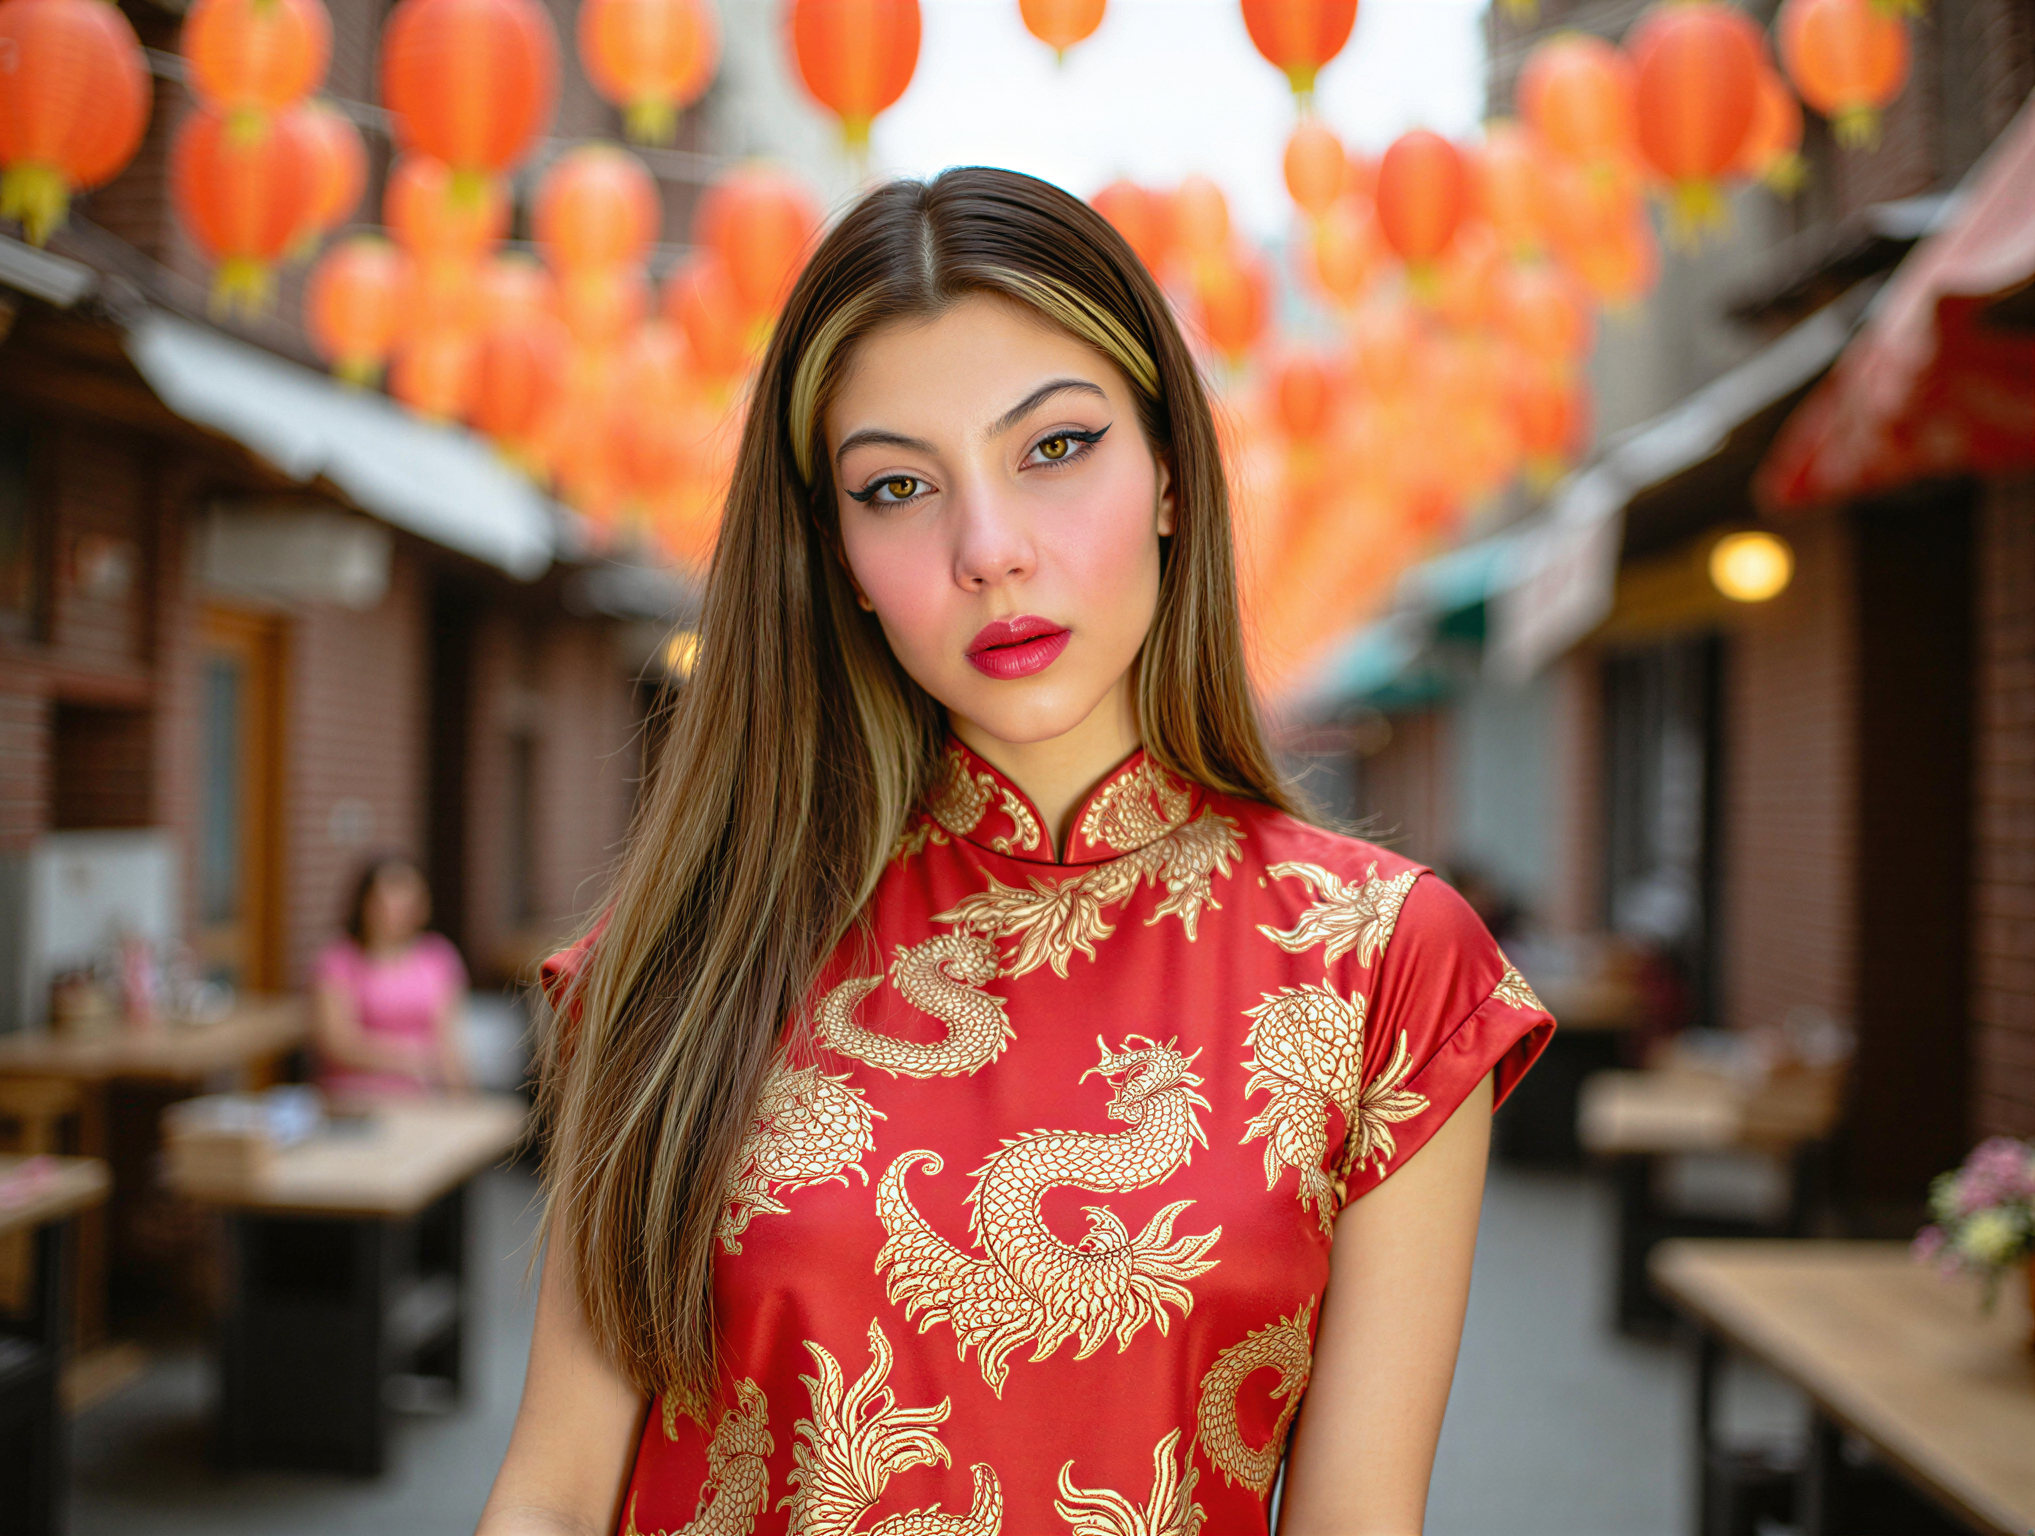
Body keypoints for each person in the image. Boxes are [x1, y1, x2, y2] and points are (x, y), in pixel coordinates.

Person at [480, 168, 1554, 1536]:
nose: (989, 548)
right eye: (896, 486)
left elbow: (1357, 1518)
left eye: (1054, 448)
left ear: (1170, 470)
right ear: (839, 559)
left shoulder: (1381, 971)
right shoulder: (682, 960)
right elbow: (556, 1495)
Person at [313, 854, 472, 1098]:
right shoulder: (338, 960)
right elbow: (338, 1043)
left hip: (423, 1097)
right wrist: (412, 1059)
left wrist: (462, 1095)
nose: (396, 909)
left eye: (407, 900)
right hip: (355, 1097)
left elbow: (448, 1039)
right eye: (388, 898)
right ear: (365, 902)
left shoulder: (439, 956)